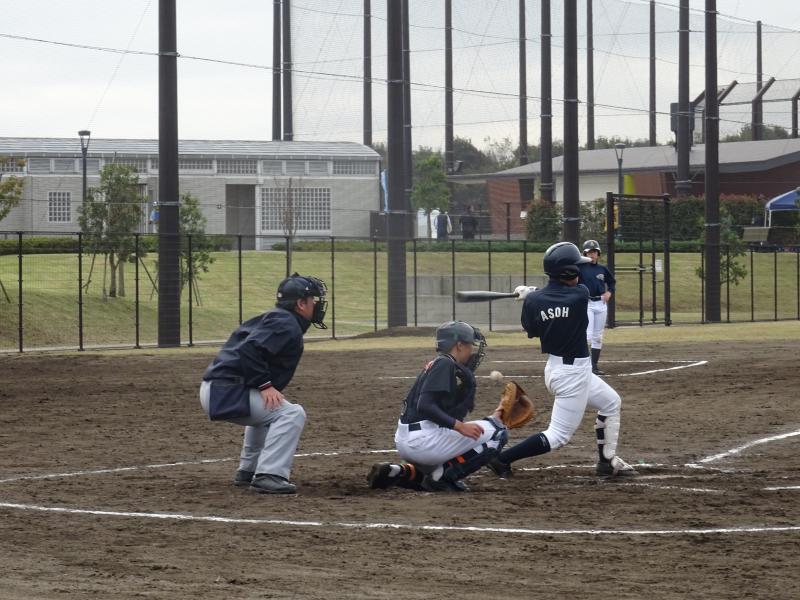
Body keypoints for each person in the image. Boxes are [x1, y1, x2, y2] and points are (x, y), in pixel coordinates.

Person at [489, 242, 636, 479]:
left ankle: (607, 461)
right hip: (572, 375)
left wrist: (532, 295)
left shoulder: (534, 301)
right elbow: (566, 294)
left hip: (559, 368)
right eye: (577, 266)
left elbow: (532, 329)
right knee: (558, 435)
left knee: (610, 402)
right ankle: (501, 459)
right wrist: (535, 292)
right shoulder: (580, 294)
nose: (580, 270)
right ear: (568, 271)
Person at [199, 273, 328, 494]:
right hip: (226, 391)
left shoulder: (279, 318)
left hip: (221, 388)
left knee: (272, 409)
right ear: (300, 303)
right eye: (313, 300)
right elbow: (249, 350)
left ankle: (248, 471)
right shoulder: (286, 323)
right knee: (291, 414)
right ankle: (270, 475)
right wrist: (265, 385)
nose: (317, 305)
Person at [367, 321, 508, 492]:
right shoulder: (445, 364)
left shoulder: (441, 364)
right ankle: (441, 479)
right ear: (459, 345)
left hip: (411, 439)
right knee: (498, 432)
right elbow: (425, 405)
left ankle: (397, 472)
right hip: (423, 441)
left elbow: (445, 411)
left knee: (444, 458)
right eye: (470, 345)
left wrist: (495, 412)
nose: (472, 350)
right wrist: (460, 426)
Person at [578, 239, 616, 375]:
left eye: (594, 252)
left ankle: (594, 366)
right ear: (584, 254)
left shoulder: (602, 269)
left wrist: (609, 292)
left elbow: (612, 282)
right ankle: (583, 365)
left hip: (601, 303)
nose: (592, 255)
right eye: (589, 252)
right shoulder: (579, 268)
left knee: (598, 336)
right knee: (587, 335)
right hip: (587, 303)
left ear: (598, 254)